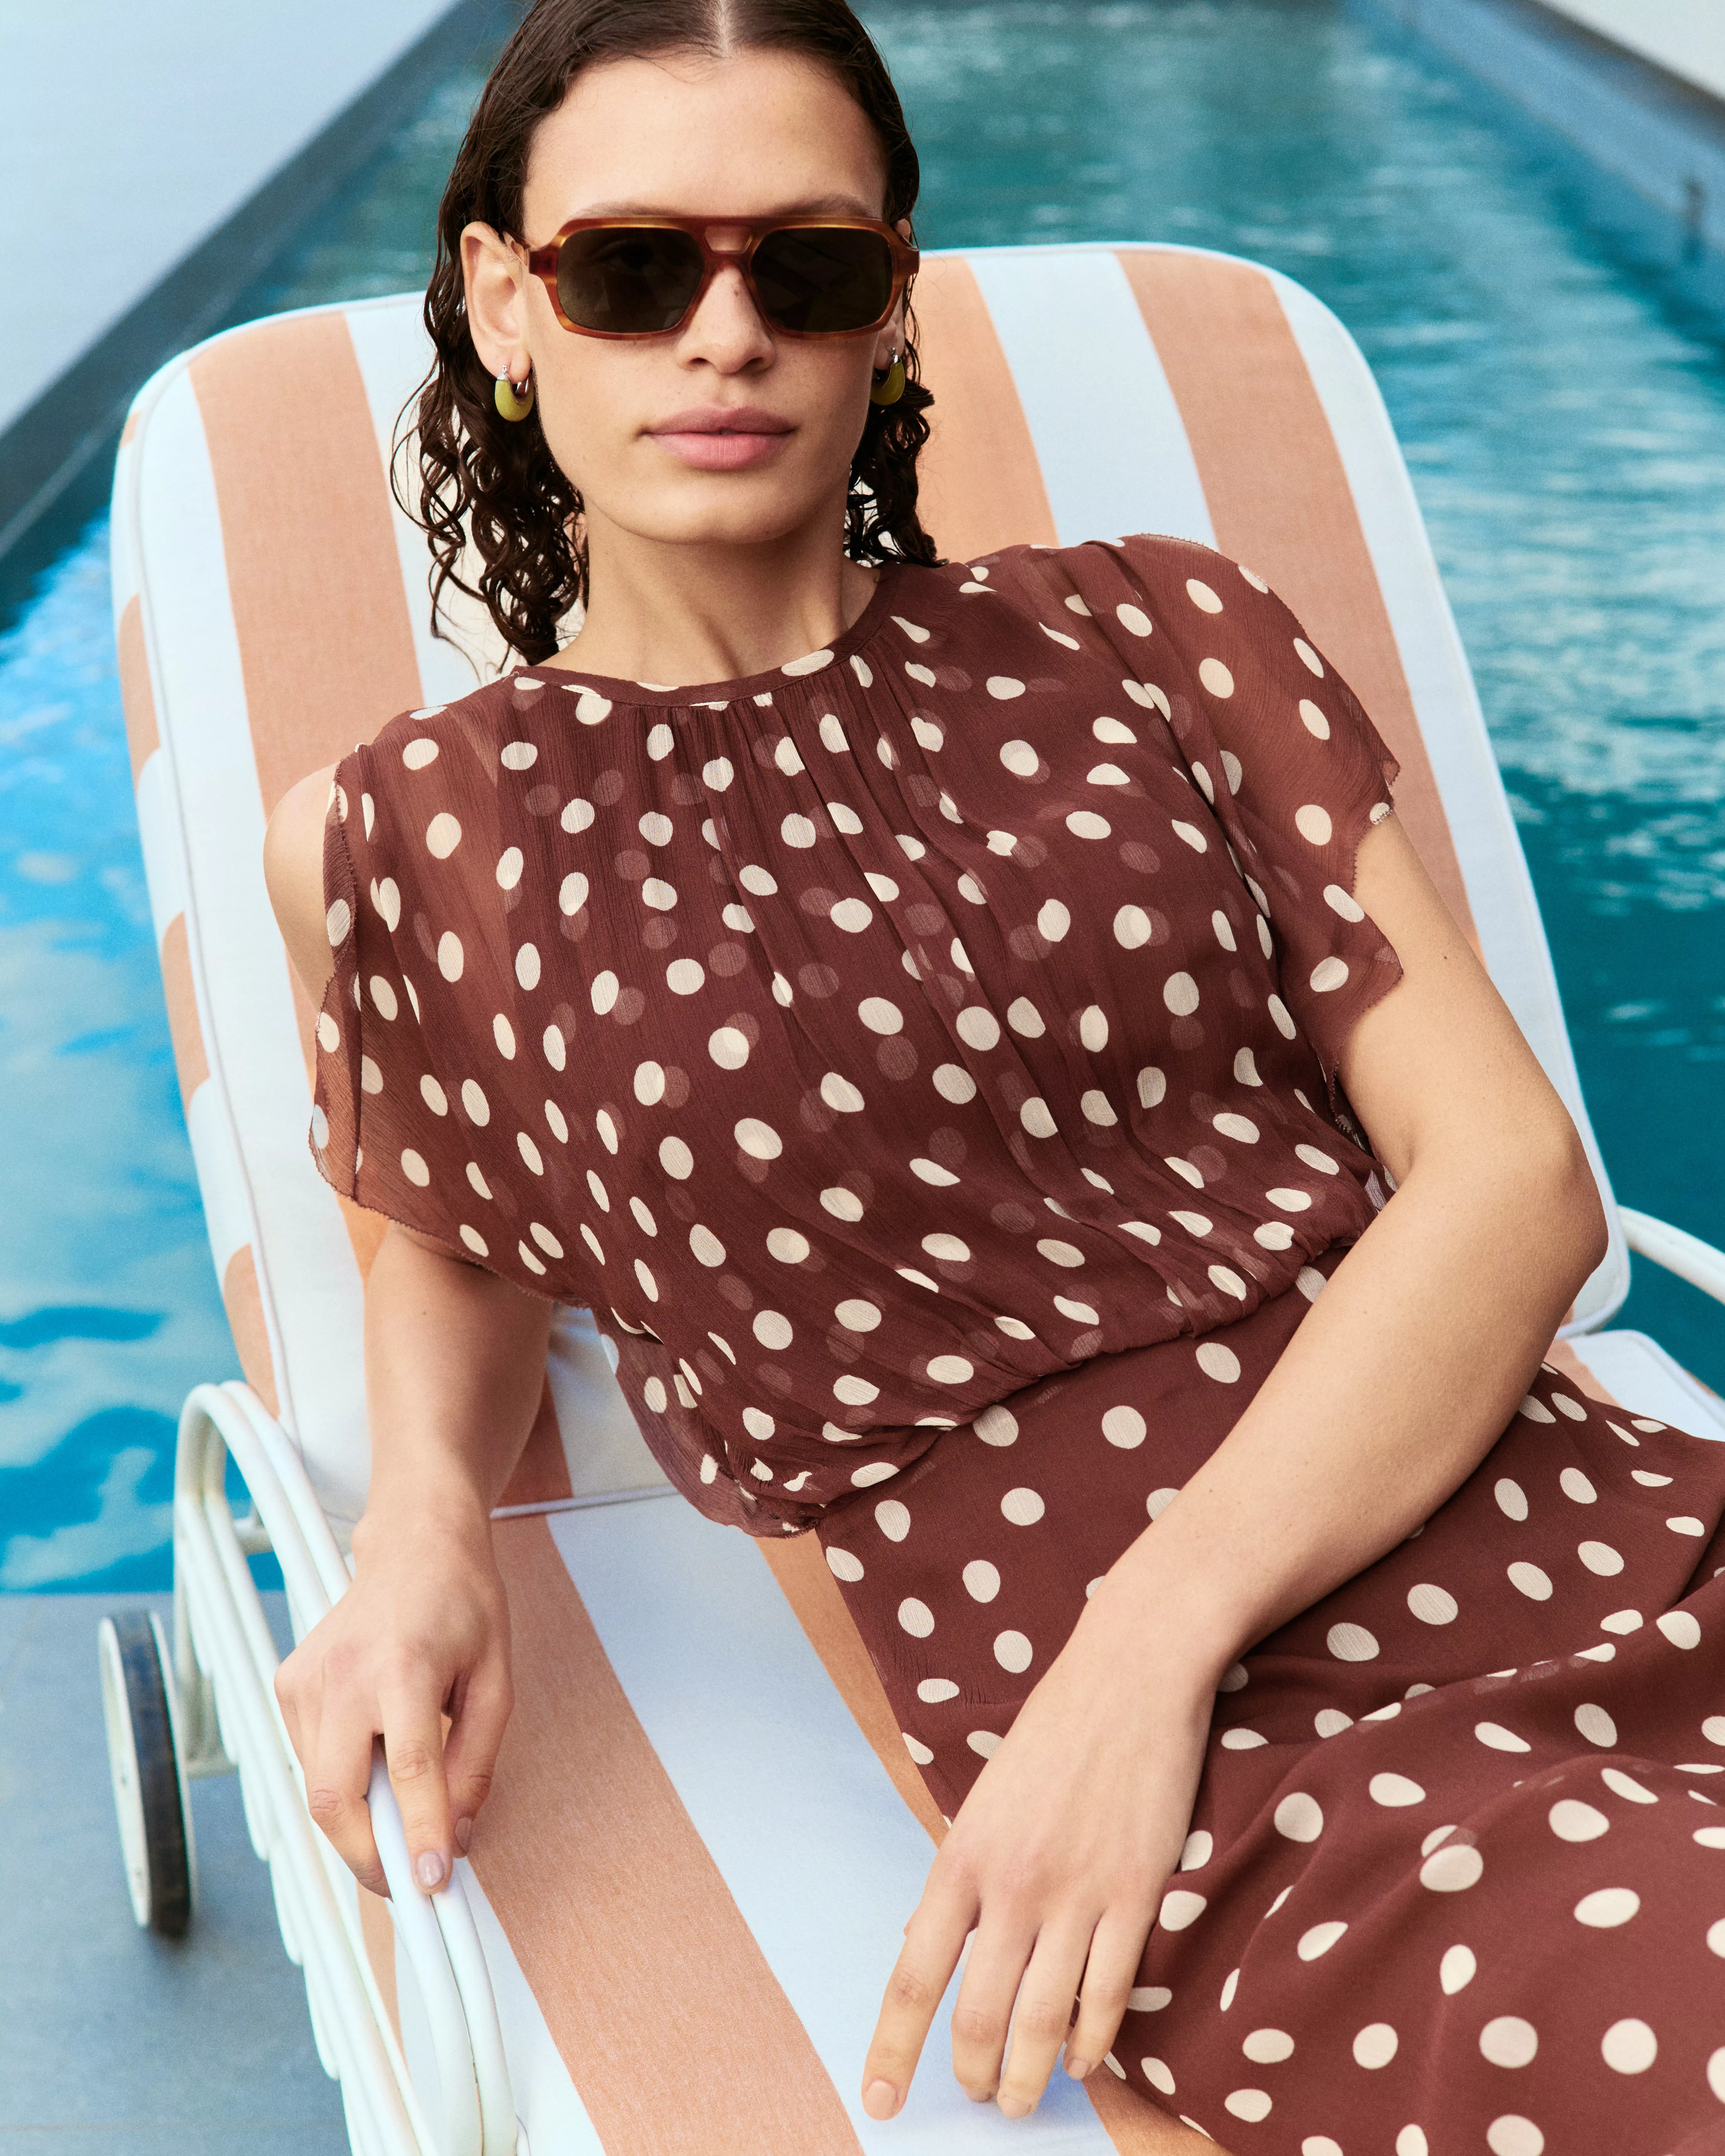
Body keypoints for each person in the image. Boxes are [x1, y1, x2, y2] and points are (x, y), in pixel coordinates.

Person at [262, 1, 1725, 2147]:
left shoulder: (1158, 632)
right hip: (1221, 1764)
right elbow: (446, 1220)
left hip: (1531, 1510)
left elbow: (1510, 1179)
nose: (726, 335)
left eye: (810, 268)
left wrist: (1147, 1645)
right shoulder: (405, 839)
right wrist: (424, 1531)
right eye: (634, 271)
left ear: (894, 307)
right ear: (508, 300)